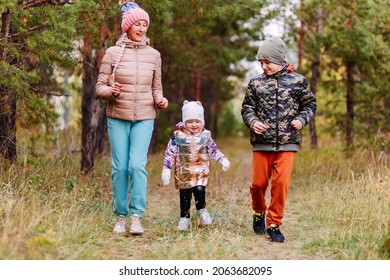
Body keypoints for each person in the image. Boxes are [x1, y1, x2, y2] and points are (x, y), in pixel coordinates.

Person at [95, 0, 168, 235]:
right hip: (117, 115)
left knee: (137, 166)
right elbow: (99, 88)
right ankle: (120, 216)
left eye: (144, 24)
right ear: (127, 26)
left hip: (145, 116)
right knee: (120, 168)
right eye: (137, 23)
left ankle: (136, 215)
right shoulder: (113, 53)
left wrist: (160, 99)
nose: (141, 28)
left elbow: (157, 87)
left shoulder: (154, 55)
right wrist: (111, 91)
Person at [241, 37, 316, 242]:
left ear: (279, 60)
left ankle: (274, 224)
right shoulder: (256, 83)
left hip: (287, 142)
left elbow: (310, 105)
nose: (264, 67)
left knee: (281, 184)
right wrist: (253, 121)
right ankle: (258, 211)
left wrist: (302, 119)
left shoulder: (298, 81)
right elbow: (247, 108)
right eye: (261, 63)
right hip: (261, 142)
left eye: (268, 62)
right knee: (258, 184)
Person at [161, 100, 230, 231]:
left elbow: (213, 150)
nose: (194, 125)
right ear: (184, 122)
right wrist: (166, 169)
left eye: (197, 121)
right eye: (190, 121)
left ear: (202, 122)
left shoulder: (206, 136)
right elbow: (169, 152)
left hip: (200, 170)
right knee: (185, 194)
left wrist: (222, 160)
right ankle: (184, 218)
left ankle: (202, 210)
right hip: (184, 171)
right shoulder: (178, 136)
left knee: (199, 190)